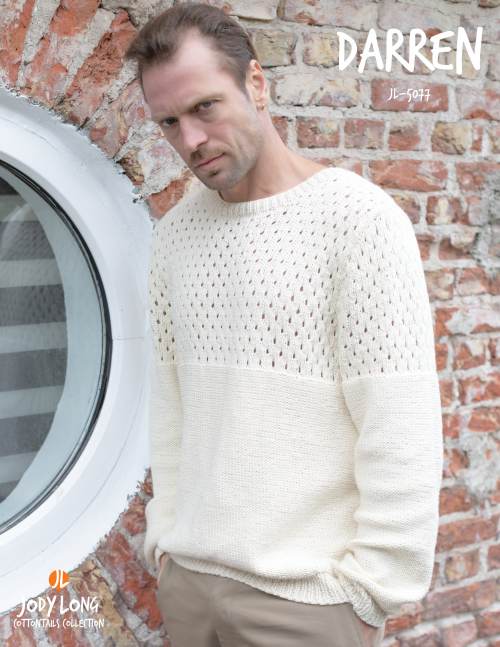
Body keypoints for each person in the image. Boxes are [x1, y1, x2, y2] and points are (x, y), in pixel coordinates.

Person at [125, 3, 444, 646]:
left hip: (307, 604)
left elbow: (399, 424)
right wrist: (166, 544)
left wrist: (368, 595)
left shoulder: (358, 221)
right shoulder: (175, 236)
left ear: (257, 83)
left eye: (205, 107)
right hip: (189, 589)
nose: (191, 140)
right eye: (169, 122)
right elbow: (174, 409)